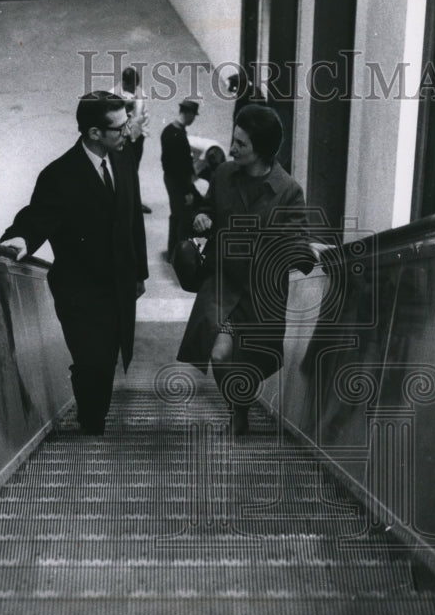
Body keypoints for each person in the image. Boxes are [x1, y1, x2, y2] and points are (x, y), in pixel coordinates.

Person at [0, 91, 148, 436]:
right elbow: (35, 218)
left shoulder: (123, 161)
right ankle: (91, 423)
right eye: (119, 128)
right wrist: (19, 238)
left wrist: (139, 273)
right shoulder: (59, 175)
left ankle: (94, 416)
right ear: (94, 133)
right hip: (79, 291)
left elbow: (132, 223)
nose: (127, 133)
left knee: (107, 357)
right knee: (90, 359)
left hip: (118, 286)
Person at [177, 104, 317, 434]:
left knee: (256, 361)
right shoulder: (224, 174)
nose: (232, 148)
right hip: (223, 281)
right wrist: (203, 218)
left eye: (241, 144)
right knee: (221, 354)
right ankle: (237, 408)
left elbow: (298, 237)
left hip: (261, 292)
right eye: (233, 139)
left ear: (262, 150)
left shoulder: (289, 191)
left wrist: (302, 253)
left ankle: (241, 402)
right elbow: (208, 208)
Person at [160, 98, 200, 261]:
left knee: (176, 214)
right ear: (189, 114)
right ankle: (179, 254)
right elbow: (180, 168)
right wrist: (187, 191)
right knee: (183, 217)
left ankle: (172, 252)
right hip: (179, 182)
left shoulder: (168, 130)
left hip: (170, 179)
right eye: (194, 116)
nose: (193, 119)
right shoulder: (179, 136)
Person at [119, 66, 152, 213]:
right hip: (121, 138)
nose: (133, 88)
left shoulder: (140, 94)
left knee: (133, 170)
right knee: (119, 170)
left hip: (137, 138)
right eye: (130, 85)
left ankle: (133, 203)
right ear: (124, 83)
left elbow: (141, 117)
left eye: (135, 85)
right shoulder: (114, 93)